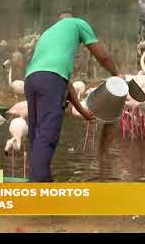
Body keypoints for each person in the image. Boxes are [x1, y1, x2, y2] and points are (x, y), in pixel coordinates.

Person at [24, 11, 120, 182]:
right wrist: (116, 75)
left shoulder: (47, 34)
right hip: (51, 80)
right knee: (47, 135)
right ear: (70, 18)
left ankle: (43, 181)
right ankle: (38, 188)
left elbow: (65, 84)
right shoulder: (77, 23)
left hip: (31, 80)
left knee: (36, 134)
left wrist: (82, 110)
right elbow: (102, 56)